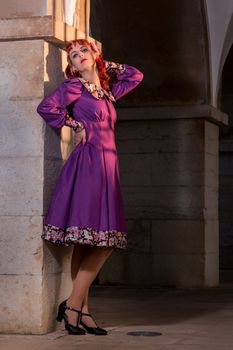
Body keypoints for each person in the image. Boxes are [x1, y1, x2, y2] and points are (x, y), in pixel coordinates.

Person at [37, 38, 144, 336]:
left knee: (94, 240)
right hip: (88, 163)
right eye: (73, 55)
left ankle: (81, 310)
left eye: (84, 50)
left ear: (95, 55)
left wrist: (102, 61)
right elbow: (46, 107)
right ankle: (73, 305)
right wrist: (73, 123)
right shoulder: (73, 88)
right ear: (70, 66)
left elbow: (135, 75)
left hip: (109, 165)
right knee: (96, 239)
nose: (79, 56)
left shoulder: (109, 91)